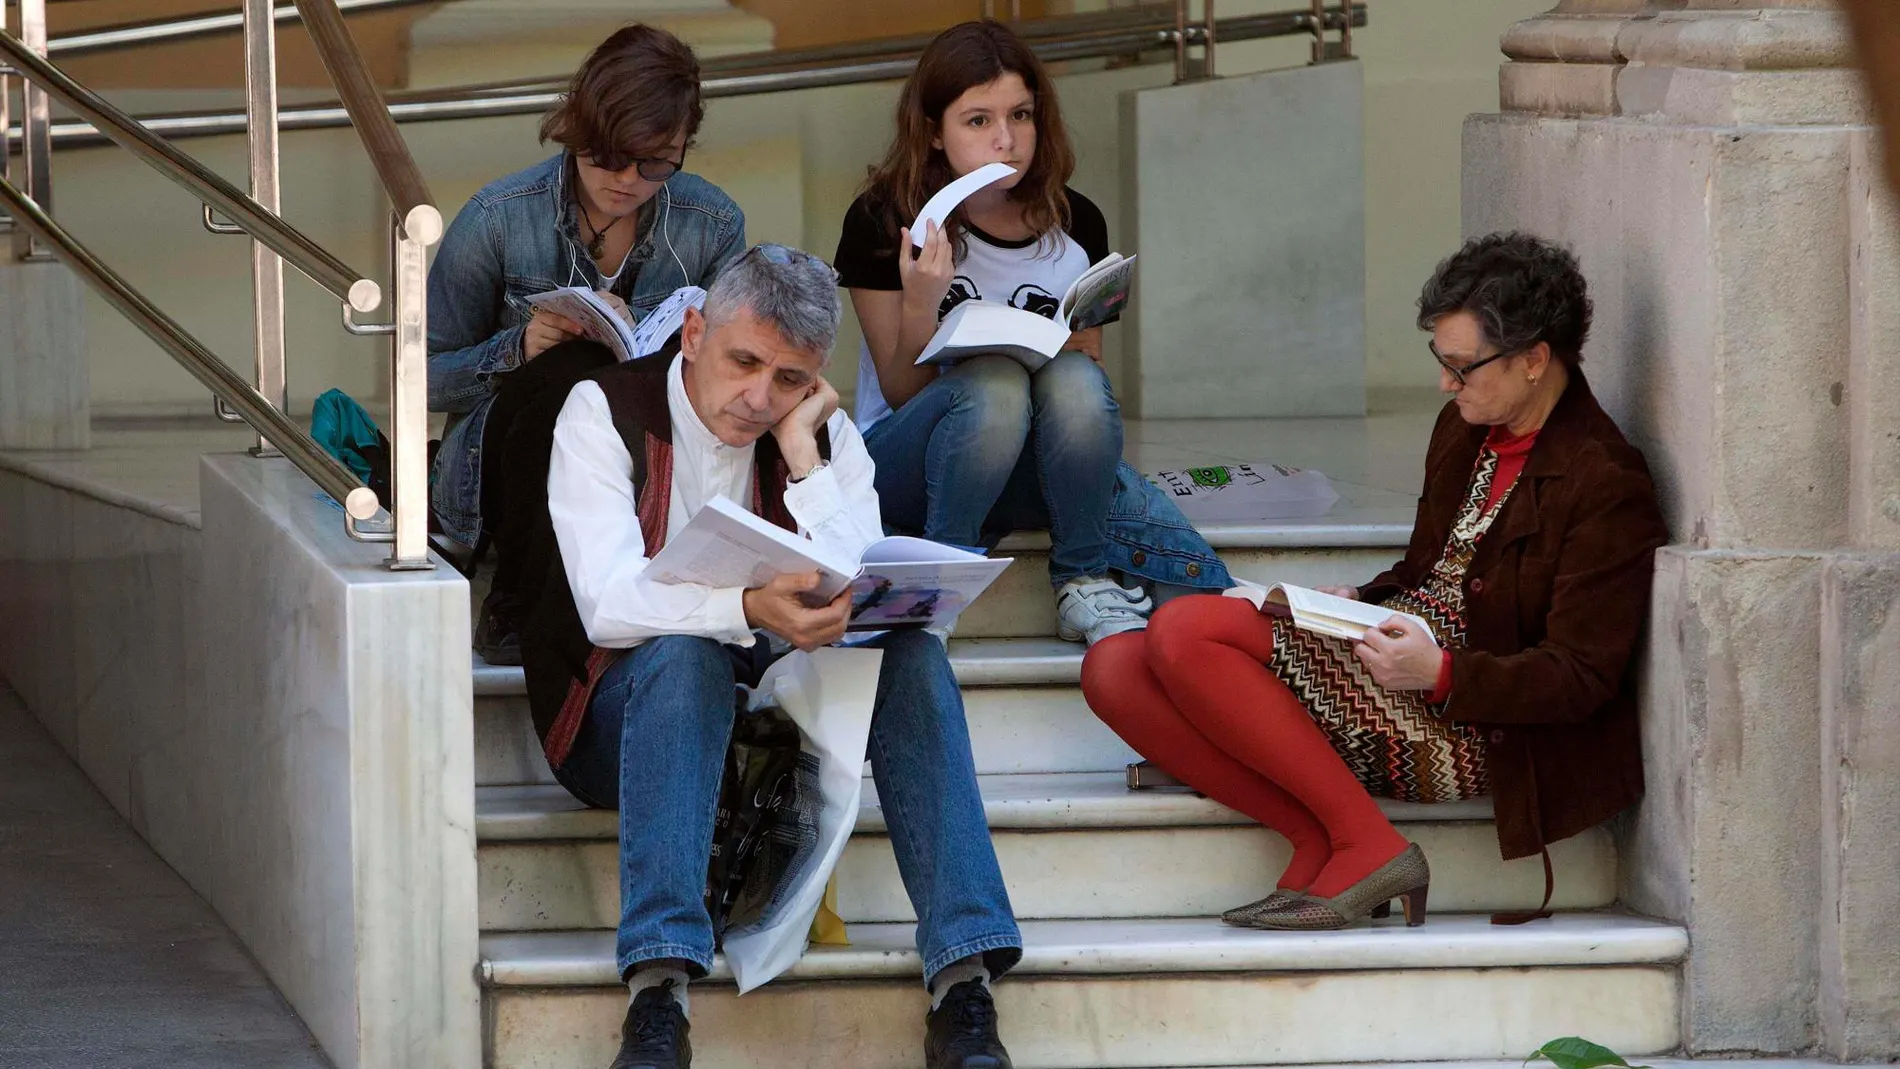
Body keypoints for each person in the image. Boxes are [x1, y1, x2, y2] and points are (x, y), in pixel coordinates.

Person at [520, 245, 1021, 1069]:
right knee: (682, 657)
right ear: (691, 333)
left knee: (913, 660)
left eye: (790, 379)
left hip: (772, 719)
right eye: (744, 361)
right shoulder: (600, 410)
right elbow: (607, 603)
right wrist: (744, 608)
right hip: (628, 722)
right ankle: (658, 992)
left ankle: (964, 983)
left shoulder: (818, 435)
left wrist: (802, 457)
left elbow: (863, 572)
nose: (759, 396)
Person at [1080, 233, 1668, 931]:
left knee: (1185, 626)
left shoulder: (1605, 480)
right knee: (1112, 665)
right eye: (1440, 360)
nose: (1445, 384)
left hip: (1480, 723)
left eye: (1462, 366)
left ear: (1535, 361)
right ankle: (1315, 835)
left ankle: (1370, 845)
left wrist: (1443, 673)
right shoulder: (1467, 426)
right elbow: (1431, 573)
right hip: (1401, 655)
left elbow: (1581, 677)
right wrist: (1357, 602)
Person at [834, 19, 1228, 646]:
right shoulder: (888, 220)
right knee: (991, 383)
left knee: (1070, 378)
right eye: (978, 121)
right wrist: (921, 302)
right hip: (909, 466)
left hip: (1035, 468)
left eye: (1020, 115)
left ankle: (1082, 580)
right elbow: (903, 392)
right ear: (934, 132)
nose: (1006, 140)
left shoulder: (1076, 222)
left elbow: (1085, 389)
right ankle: (942, 575)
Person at [427, 23, 747, 663]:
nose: (628, 178)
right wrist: (517, 349)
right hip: (508, 459)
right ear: (577, 131)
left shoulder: (712, 224)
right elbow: (420, 378)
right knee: (575, 367)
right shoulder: (499, 218)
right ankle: (517, 591)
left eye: (655, 162)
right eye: (608, 155)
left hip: (649, 451)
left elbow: (731, 371)